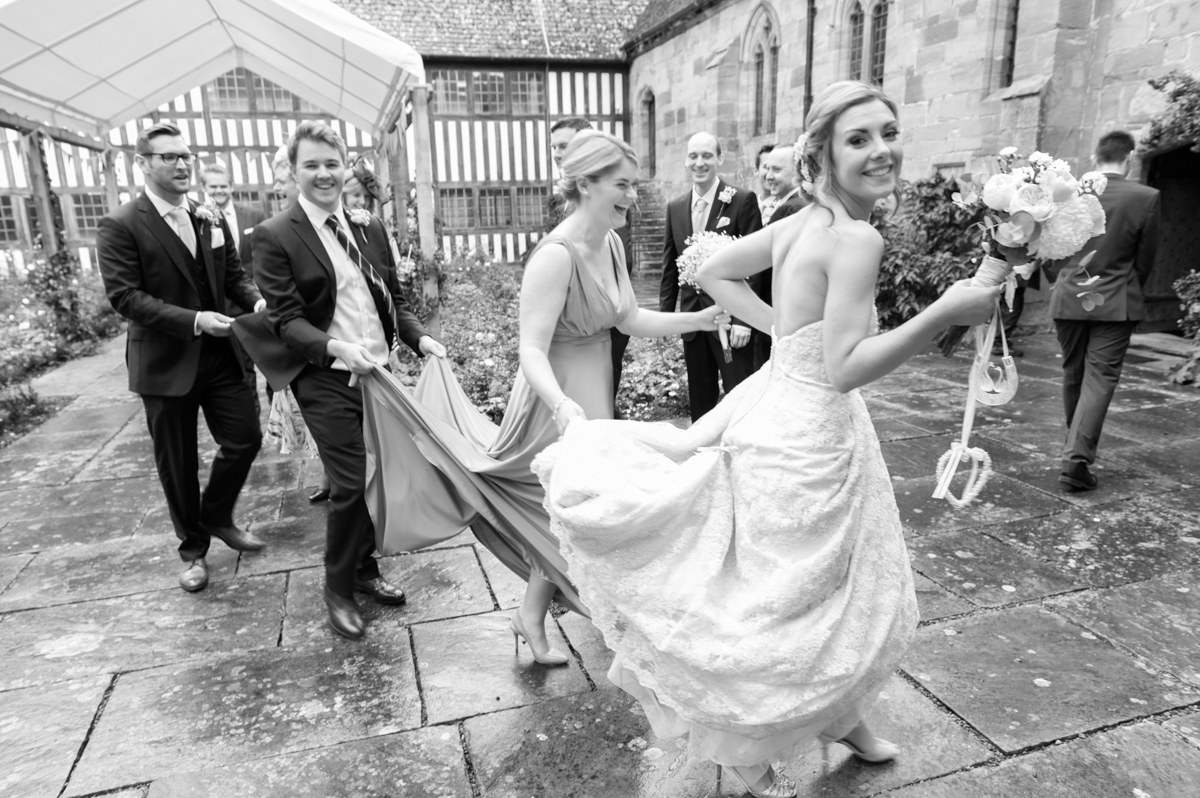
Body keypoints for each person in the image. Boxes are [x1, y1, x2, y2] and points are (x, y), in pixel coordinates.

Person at [532, 82, 999, 797]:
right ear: (823, 153)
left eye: (888, 132)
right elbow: (846, 368)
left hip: (772, 409)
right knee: (792, 604)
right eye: (858, 139)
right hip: (808, 434)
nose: (881, 150)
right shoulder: (856, 238)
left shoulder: (800, 221)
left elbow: (712, 269)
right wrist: (943, 311)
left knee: (817, 593)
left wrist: (785, 332)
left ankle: (845, 721)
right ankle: (750, 754)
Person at [358, 130, 726, 667]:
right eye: (622, 185)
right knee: (572, 510)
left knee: (572, 513)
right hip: (555, 399)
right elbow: (530, 349)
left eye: (633, 184)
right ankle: (615, 623)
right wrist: (560, 404)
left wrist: (698, 319)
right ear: (586, 184)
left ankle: (535, 616)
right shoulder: (555, 256)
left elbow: (628, 318)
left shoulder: (612, 243)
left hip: (592, 392)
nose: (633, 196)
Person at [252, 121, 448, 641]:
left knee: (376, 476)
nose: (323, 174)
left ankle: (364, 569)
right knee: (349, 481)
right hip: (325, 376)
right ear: (294, 171)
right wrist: (336, 348)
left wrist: (419, 339)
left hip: (380, 374)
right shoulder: (276, 235)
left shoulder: (369, 226)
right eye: (311, 165)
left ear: (345, 167)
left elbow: (393, 298)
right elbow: (286, 320)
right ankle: (337, 589)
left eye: (331, 163)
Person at [98, 122, 268, 594]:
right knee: (177, 463)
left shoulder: (207, 216)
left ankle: (216, 513)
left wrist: (257, 302)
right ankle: (193, 550)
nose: (181, 164)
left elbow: (234, 275)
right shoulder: (121, 224)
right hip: (164, 363)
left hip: (220, 354)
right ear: (143, 163)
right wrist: (194, 320)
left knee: (246, 438)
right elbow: (126, 297)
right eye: (168, 156)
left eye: (185, 156)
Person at [1050, 130, 1160, 491]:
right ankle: (1075, 459)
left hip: (1069, 296)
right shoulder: (1146, 197)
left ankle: (1075, 448)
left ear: (1094, 157)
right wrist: (1127, 288)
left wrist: (1063, 280)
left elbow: (1051, 247)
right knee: (1099, 377)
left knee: (1074, 373)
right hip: (1116, 299)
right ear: (1129, 158)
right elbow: (1145, 259)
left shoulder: (1068, 192)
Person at [660, 131, 762, 422]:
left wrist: (745, 320)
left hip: (730, 318)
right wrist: (666, 318)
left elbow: (756, 264)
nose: (699, 162)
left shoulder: (741, 200)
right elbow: (670, 267)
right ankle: (703, 448)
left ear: (719, 158)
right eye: (693, 156)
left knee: (739, 396)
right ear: (686, 161)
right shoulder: (675, 207)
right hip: (693, 320)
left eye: (707, 155)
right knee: (700, 399)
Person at [545, 117, 636, 404]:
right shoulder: (555, 247)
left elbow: (621, 262)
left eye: (565, 145)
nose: (558, 153)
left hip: (606, 319)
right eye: (554, 147)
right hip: (565, 348)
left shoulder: (611, 211)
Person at [750, 145, 807, 371]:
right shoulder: (793, 204)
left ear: (797, 172)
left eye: (776, 170)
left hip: (774, 313)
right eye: (767, 168)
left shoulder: (791, 209)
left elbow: (762, 266)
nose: (768, 176)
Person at [754, 142, 776, 213]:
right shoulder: (747, 205)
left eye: (776, 168)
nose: (770, 175)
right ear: (756, 171)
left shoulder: (786, 208)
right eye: (767, 167)